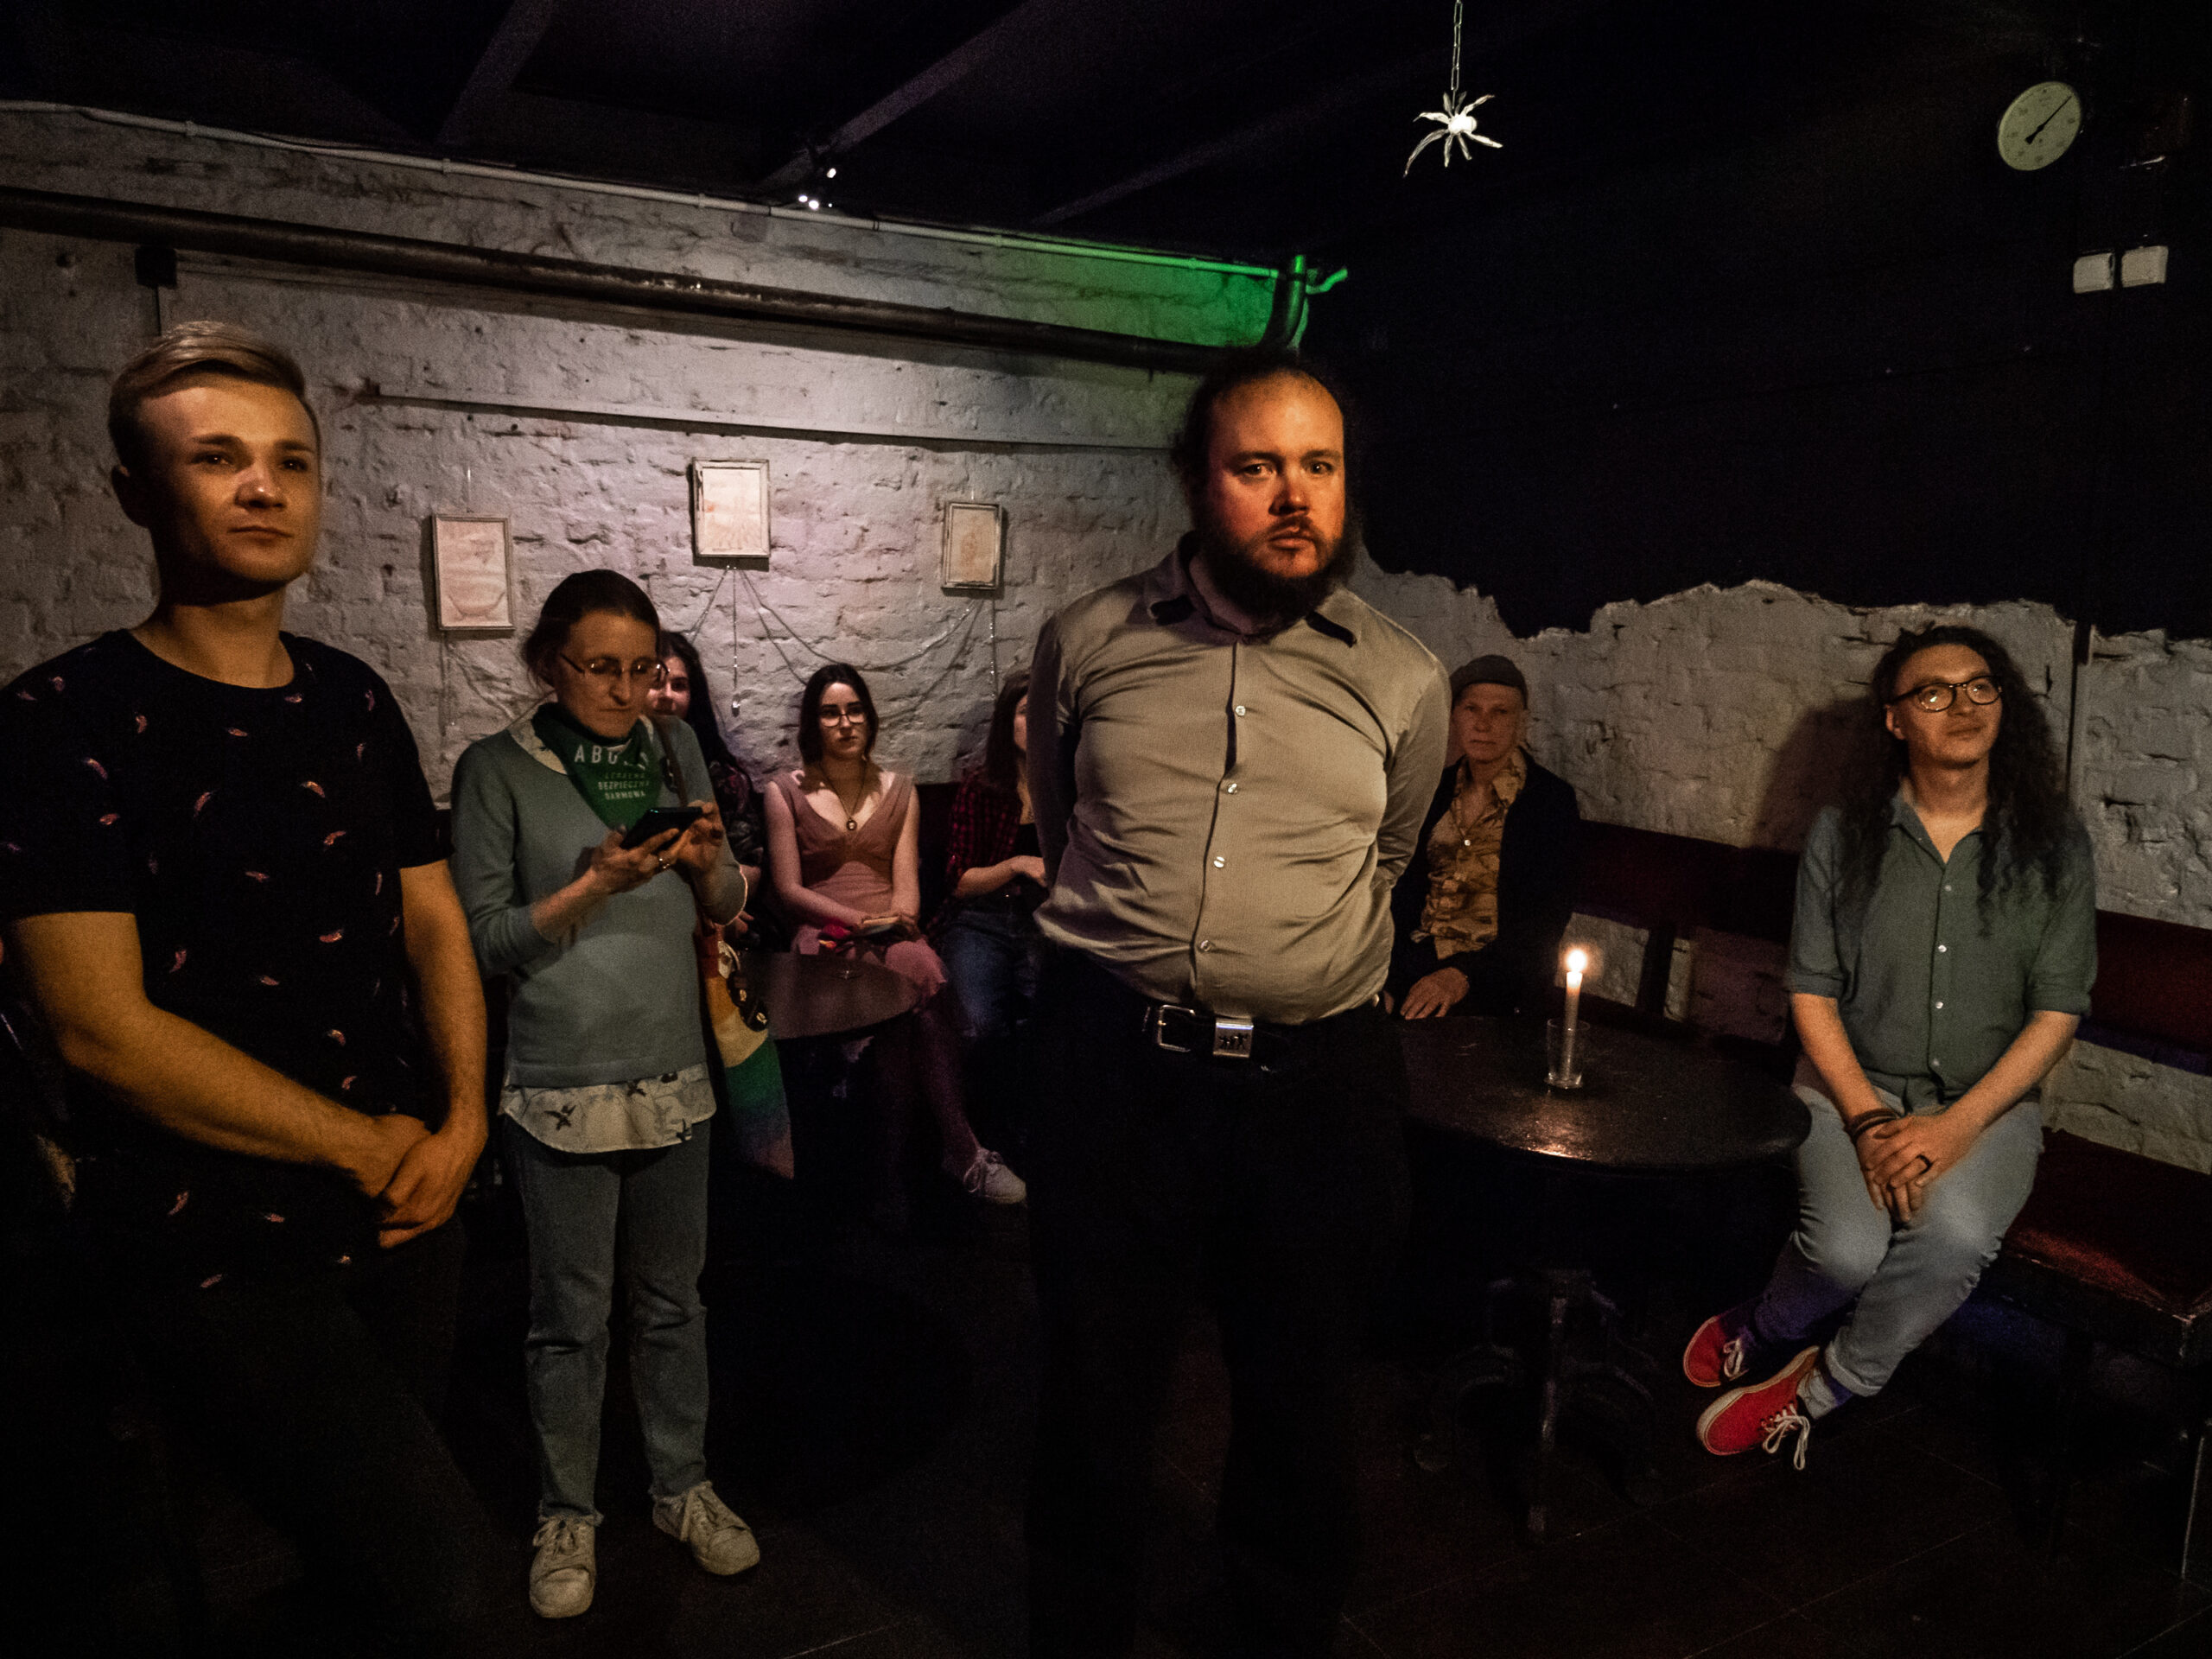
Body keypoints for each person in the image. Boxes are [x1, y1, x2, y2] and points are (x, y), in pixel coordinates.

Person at [0, 322, 494, 1649]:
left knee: (371, 1579)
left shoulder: (352, 699)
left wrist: (462, 1123)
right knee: (446, 1584)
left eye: (291, 460)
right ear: (134, 492)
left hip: (407, 1205)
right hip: (213, 1235)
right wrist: (370, 1143)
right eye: (218, 458)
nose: (265, 486)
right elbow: (99, 1032)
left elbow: (434, 920)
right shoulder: (58, 720)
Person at [1026, 346, 1449, 1658]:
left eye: (1318, 466)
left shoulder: (1403, 677)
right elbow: (1059, 814)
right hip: (1116, 1071)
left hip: (1316, 1092)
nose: (1293, 495)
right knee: (1094, 1388)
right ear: (1197, 483)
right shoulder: (1088, 642)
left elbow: (1389, 856)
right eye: (1256, 466)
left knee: (1302, 1398)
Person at [1687, 624, 2094, 1469]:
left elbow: (2058, 1011)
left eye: (1980, 686)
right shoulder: (1845, 833)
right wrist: (1868, 1121)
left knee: (1953, 1239)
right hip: (1851, 1083)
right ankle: (1769, 1320)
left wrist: (1955, 1128)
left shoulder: (2052, 843)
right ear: (1895, 719)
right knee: (1844, 1253)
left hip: (1984, 1103)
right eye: (1933, 691)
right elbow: (1811, 990)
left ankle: (1821, 1385)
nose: (1962, 705)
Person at [449, 570, 759, 1619]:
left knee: (674, 1304)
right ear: (550, 663)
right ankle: (566, 1511)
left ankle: (681, 1487)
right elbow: (484, 939)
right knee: (569, 1320)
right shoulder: (497, 768)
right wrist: (593, 886)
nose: (628, 691)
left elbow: (726, 897)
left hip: (674, 1067)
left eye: (643, 669)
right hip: (560, 1078)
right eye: (601, 669)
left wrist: (708, 866)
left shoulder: (674, 750)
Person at [762, 664, 1025, 1211]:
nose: (845, 723)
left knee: (917, 977)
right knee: (906, 1004)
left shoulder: (899, 789)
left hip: (891, 929)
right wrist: (855, 922)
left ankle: (923, 1162)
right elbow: (788, 890)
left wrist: (893, 919)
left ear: (870, 717)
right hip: (823, 931)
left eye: (855, 710)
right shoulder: (783, 790)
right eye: (830, 713)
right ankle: (938, 1159)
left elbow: (907, 892)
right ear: (813, 723)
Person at [1387, 654, 1580, 1018]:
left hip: (1495, 975)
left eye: (1500, 712)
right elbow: (1402, 890)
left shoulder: (1547, 801)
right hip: (1418, 958)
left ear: (1521, 722)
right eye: (1471, 709)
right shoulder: (1437, 790)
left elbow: (1543, 921)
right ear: (1455, 717)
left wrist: (1462, 976)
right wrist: (1388, 978)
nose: (1483, 724)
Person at [936, 669, 1049, 1137]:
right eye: (1024, 712)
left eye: (1044, 711)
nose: (1035, 720)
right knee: (977, 1025)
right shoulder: (982, 786)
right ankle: (982, 1129)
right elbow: (959, 881)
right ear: (1007, 722)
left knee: (1052, 1023)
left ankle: (1036, 1131)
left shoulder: (1066, 787)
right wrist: (1018, 863)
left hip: (1047, 920)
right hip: (983, 918)